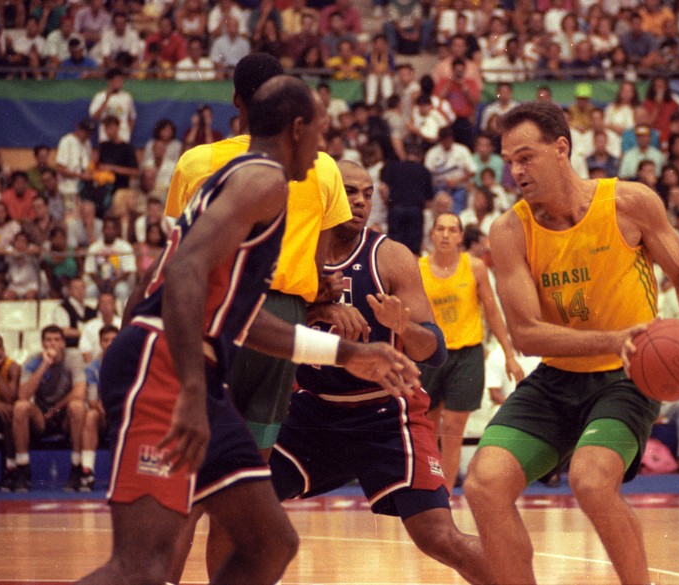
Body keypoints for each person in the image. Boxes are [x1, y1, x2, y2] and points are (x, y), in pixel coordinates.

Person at [75, 75, 420, 585]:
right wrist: (192, 387)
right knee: (140, 567)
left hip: (191, 367)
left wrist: (346, 352)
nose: (324, 148)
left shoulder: (247, 180)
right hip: (165, 364)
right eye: (321, 133)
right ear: (298, 128)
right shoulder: (264, 180)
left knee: (270, 543)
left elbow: (239, 318)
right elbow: (183, 272)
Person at [463, 102, 679, 585]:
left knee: (592, 481)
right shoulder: (509, 230)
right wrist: (616, 337)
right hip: (557, 378)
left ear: (562, 149)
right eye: (509, 160)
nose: (515, 171)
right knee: (483, 484)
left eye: (526, 157)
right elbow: (526, 335)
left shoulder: (629, 203)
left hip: (627, 378)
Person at [162, 54, 351, 581]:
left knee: (189, 491)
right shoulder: (319, 167)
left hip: (211, 321)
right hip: (278, 321)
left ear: (237, 103)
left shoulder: (196, 162)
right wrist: (321, 291)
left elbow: (178, 250)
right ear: (296, 118)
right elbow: (325, 251)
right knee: (243, 492)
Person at [269, 160, 493, 583]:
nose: (359, 201)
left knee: (439, 538)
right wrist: (320, 308)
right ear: (327, 195)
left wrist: (402, 326)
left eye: (367, 193)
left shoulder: (389, 256)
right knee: (242, 507)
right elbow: (262, 321)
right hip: (313, 414)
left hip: (386, 416)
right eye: (350, 192)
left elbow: (436, 350)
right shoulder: (294, 253)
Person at [419, 212, 523, 495]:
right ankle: (428, 490)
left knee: (452, 429)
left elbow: (493, 312)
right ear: (432, 234)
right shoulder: (418, 268)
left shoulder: (475, 268)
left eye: (452, 230)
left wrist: (510, 355)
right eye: (440, 229)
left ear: (460, 237)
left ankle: (445, 494)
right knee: (427, 428)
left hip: (467, 355)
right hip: (430, 354)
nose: (445, 235)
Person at [11, 326, 86, 493]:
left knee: (78, 406)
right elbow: (23, 395)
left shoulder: (73, 356)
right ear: (42, 343)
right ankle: (22, 468)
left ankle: (76, 468)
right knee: (20, 407)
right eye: (48, 340)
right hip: (40, 416)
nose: (53, 344)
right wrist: (45, 364)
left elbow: (79, 392)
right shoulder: (33, 360)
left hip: (63, 413)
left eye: (57, 340)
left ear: (64, 343)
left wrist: (56, 410)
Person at [78, 324, 119, 492]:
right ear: (100, 343)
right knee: (90, 416)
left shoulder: (130, 362)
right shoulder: (93, 367)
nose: (109, 343)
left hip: (124, 412)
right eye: (105, 340)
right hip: (105, 412)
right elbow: (93, 400)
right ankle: (87, 472)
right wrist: (106, 410)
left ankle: (120, 475)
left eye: (113, 340)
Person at [0, 333, 21, 491]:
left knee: (9, 414)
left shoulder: (12, 367)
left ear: (3, 349)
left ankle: (10, 470)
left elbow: (10, 398)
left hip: (2, 415)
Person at [50, 277, 98, 349]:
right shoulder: (62, 308)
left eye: (82, 288)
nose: (80, 291)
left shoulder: (91, 311)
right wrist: (86, 333)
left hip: (90, 349)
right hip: (71, 349)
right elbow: (64, 331)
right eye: (76, 288)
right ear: (69, 290)